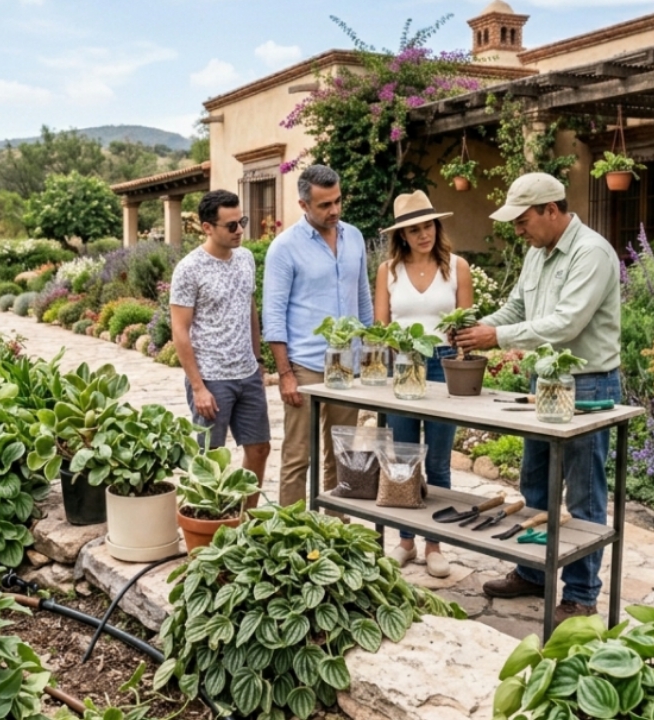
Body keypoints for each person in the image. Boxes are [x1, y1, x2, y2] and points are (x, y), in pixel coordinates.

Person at [454, 172, 622, 627]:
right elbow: (516, 309)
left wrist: (498, 337)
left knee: (584, 493)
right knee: (534, 484)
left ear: (552, 210)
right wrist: (475, 326)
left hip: (587, 385)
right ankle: (533, 572)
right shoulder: (536, 254)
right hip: (544, 381)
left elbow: (567, 324)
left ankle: (583, 595)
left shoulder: (591, 253)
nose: (518, 230)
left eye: (523, 220)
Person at [374, 190, 473, 578]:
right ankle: (406, 541)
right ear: (401, 235)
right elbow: (382, 328)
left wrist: (463, 368)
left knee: (438, 460)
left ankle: (435, 545)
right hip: (403, 364)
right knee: (402, 458)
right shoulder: (388, 272)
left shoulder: (457, 267)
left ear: (437, 225)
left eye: (427, 226)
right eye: (413, 230)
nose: (423, 235)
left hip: (443, 365)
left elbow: (463, 326)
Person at [263, 165, 373, 507]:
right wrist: (285, 374)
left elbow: (363, 300)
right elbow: (273, 315)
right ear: (303, 204)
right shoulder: (284, 248)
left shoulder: (353, 237)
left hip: (348, 364)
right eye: (325, 205)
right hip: (306, 366)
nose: (334, 211)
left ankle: (335, 532)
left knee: (342, 456)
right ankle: (292, 535)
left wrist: (368, 357)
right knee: (298, 457)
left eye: (338, 201)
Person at [170, 190, 271, 489]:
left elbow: (249, 308)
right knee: (208, 461)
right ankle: (210, 528)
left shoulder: (246, 259)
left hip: (247, 374)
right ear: (207, 227)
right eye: (231, 225)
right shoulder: (189, 269)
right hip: (211, 380)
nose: (239, 230)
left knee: (260, 449)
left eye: (241, 221)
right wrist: (198, 387)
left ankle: (246, 522)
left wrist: (258, 360)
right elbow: (179, 330)